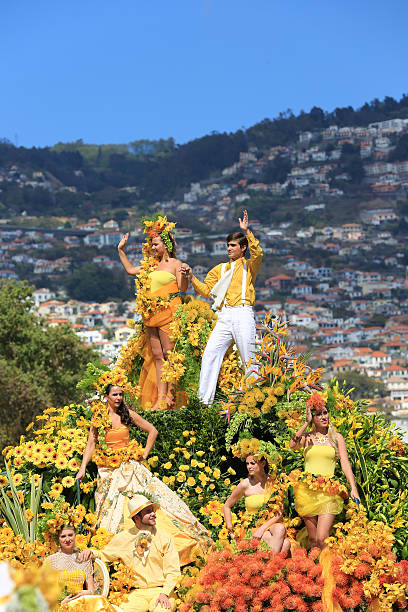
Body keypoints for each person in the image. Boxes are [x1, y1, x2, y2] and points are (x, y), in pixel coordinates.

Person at [76, 384, 209, 565]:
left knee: (148, 502)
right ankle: (122, 553)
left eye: (121, 394)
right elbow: (91, 443)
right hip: (110, 469)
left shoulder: (127, 413)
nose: (118, 398)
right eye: (115, 394)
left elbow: (152, 430)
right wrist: (83, 467)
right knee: (113, 511)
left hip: (131, 468)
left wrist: (144, 454)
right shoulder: (99, 417)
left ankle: (157, 545)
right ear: (106, 396)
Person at [180, 210, 262, 405]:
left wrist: (247, 231)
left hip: (243, 313)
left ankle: (256, 400)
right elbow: (206, 291)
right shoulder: (220, 269)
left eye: (233, 245)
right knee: (210, 354)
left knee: (249, 358)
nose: (228, 249)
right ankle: (203, 402)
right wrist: (191, 277)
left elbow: (258, 253)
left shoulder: (249, 266)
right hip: (224, 316)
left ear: (243, 248)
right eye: (227, 245)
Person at [118, 217, 188, 410]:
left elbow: (182, 288)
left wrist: (186, 274)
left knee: (169, 354)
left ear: (165, 244)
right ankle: (161, 396)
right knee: (157, 355)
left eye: (155, 244)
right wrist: (120, 250)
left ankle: (171, 396)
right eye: (151, 244)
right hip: (150, 315)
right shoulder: (150, 265)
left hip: (169, 312)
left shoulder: (175, 263)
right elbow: (131, 270)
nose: (152, 247)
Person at [80, 494, 181, 612]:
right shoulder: (122, 538)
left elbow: (173, 571)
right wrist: (90, 552)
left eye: (152, 510)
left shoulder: (165, 537)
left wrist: (165, 593)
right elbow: (104, 554)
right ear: (137, 518)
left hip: (162, 590)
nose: (153, 514)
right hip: (136, 593)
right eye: (148, 512)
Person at [289, 391, 360, 550]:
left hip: (329, 492)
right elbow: (292, 445)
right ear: (312, 418)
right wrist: (305, 424)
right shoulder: (307, 437)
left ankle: (328, 574)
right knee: (313, 541)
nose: (323, 417)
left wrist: (353, 488)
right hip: (307, 491)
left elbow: (345, 464)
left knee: (322, 538)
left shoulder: (336, 437)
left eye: (325, 413)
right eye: (318, 414)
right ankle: (316, 572)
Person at [223, 454, 290, 554]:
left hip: (271, 525)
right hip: (252, 526)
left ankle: (269, 565)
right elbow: (227, 506)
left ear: (263, 463)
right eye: (247, 464)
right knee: (286, 544)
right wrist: (231, 531)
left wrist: (262, 529)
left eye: (252, 463)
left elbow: (279, 512)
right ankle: (272, 566)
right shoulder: (245, 484)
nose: (249, 466)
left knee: (280, 528)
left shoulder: (274, 482)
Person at [44, 524, 120, 611]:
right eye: (63, 536)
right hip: (60, 605)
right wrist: (61, 603)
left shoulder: (84, 558)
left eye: (70, 535)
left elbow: (91, 590)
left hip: (81, 602)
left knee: (100, 601)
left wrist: (87, 592)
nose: (67, 539)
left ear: (75, 535)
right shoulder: (50, 560)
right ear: (58, 539)